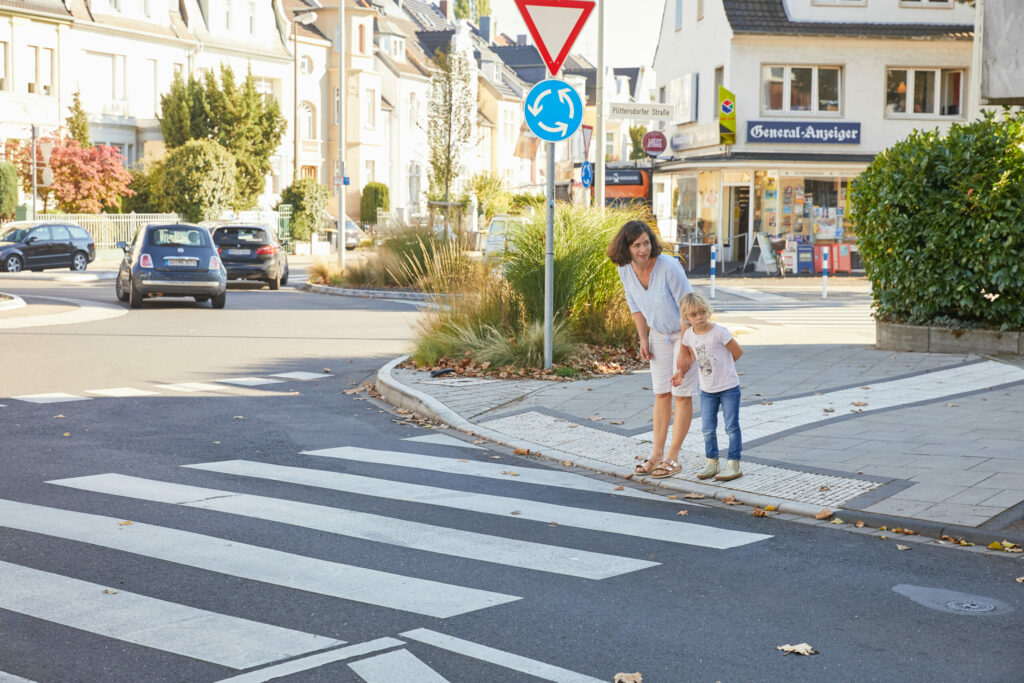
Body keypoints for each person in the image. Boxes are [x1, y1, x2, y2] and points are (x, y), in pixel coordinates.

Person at [607, 220, 698, 479]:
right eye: (637, 245)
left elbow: (688, 308)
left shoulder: (669, 267)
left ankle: (672, 458)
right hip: (658, 334)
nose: (643, 249)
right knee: (661, 393)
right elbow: (635, 305)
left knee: (681, 394)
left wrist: (685, 349)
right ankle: (656, 455)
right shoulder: (625, 269)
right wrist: (642, 338)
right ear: (626, 248)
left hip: (685, 332)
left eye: (646, 243)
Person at [673, 293, 744, 482]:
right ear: (687, 318)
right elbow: (693, 356)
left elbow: (737, 352)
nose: (699, 317)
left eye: (702, 312)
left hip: (728, 388)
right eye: (694, 314)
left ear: (708, 311)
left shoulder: (719, 332)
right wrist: (680, 373)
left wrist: (724, 368)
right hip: (707, 391)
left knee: (731, 427)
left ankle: (733, 463)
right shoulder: (689, 336)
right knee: (707, 428)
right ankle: (712, 461)